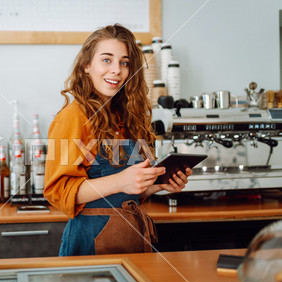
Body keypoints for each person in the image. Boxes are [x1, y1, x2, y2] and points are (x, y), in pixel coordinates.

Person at [44, 24, 192, 256]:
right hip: (90, 242)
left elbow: (125, 191)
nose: (116, 70)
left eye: (124, 62)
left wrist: (156, 185)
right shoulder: (73, 117)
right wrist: (121, 181)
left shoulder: (128, 116)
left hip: (133, 236)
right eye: (106, 60)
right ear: (86, 65)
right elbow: (59, 192)